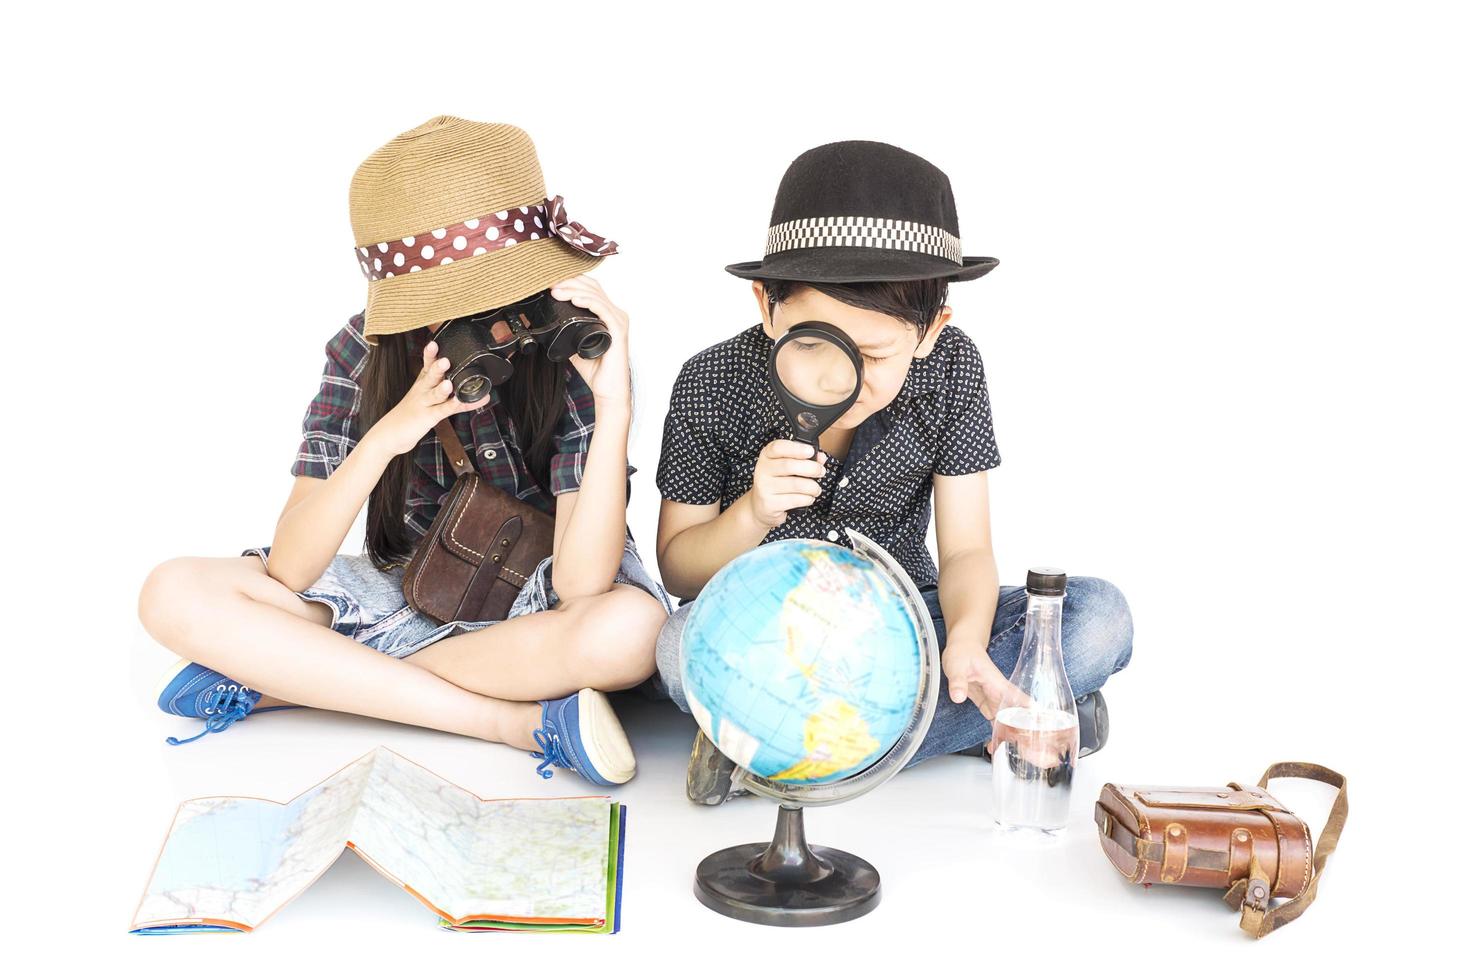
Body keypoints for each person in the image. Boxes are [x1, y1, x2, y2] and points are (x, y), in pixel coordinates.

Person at [138, 116, 672, 786]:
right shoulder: (364, 347)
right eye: (459, 302)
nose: (495, 324)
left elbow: (582, 585)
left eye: (507, 292)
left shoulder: (575, 347)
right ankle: (511, 722)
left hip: (546, 602)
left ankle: (289, 683)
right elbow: (292, 571)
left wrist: (614, 401)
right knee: (172, 591)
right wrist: (394, 429)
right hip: (416, 585)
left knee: (628, 632)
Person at [649, 141, 1134, 804]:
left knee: (1100, 617)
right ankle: (973, 725)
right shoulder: (712, 381)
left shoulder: (952, 368)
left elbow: (966, 550)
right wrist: (751, 514)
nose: (836, 378)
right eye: (812, 343)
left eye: (873, 356)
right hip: (764, 639)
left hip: (908, 628)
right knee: (676, 648)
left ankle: (766, 754)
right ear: (766, 306)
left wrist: (964, 643)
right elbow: (678, 570)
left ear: (931, 331)